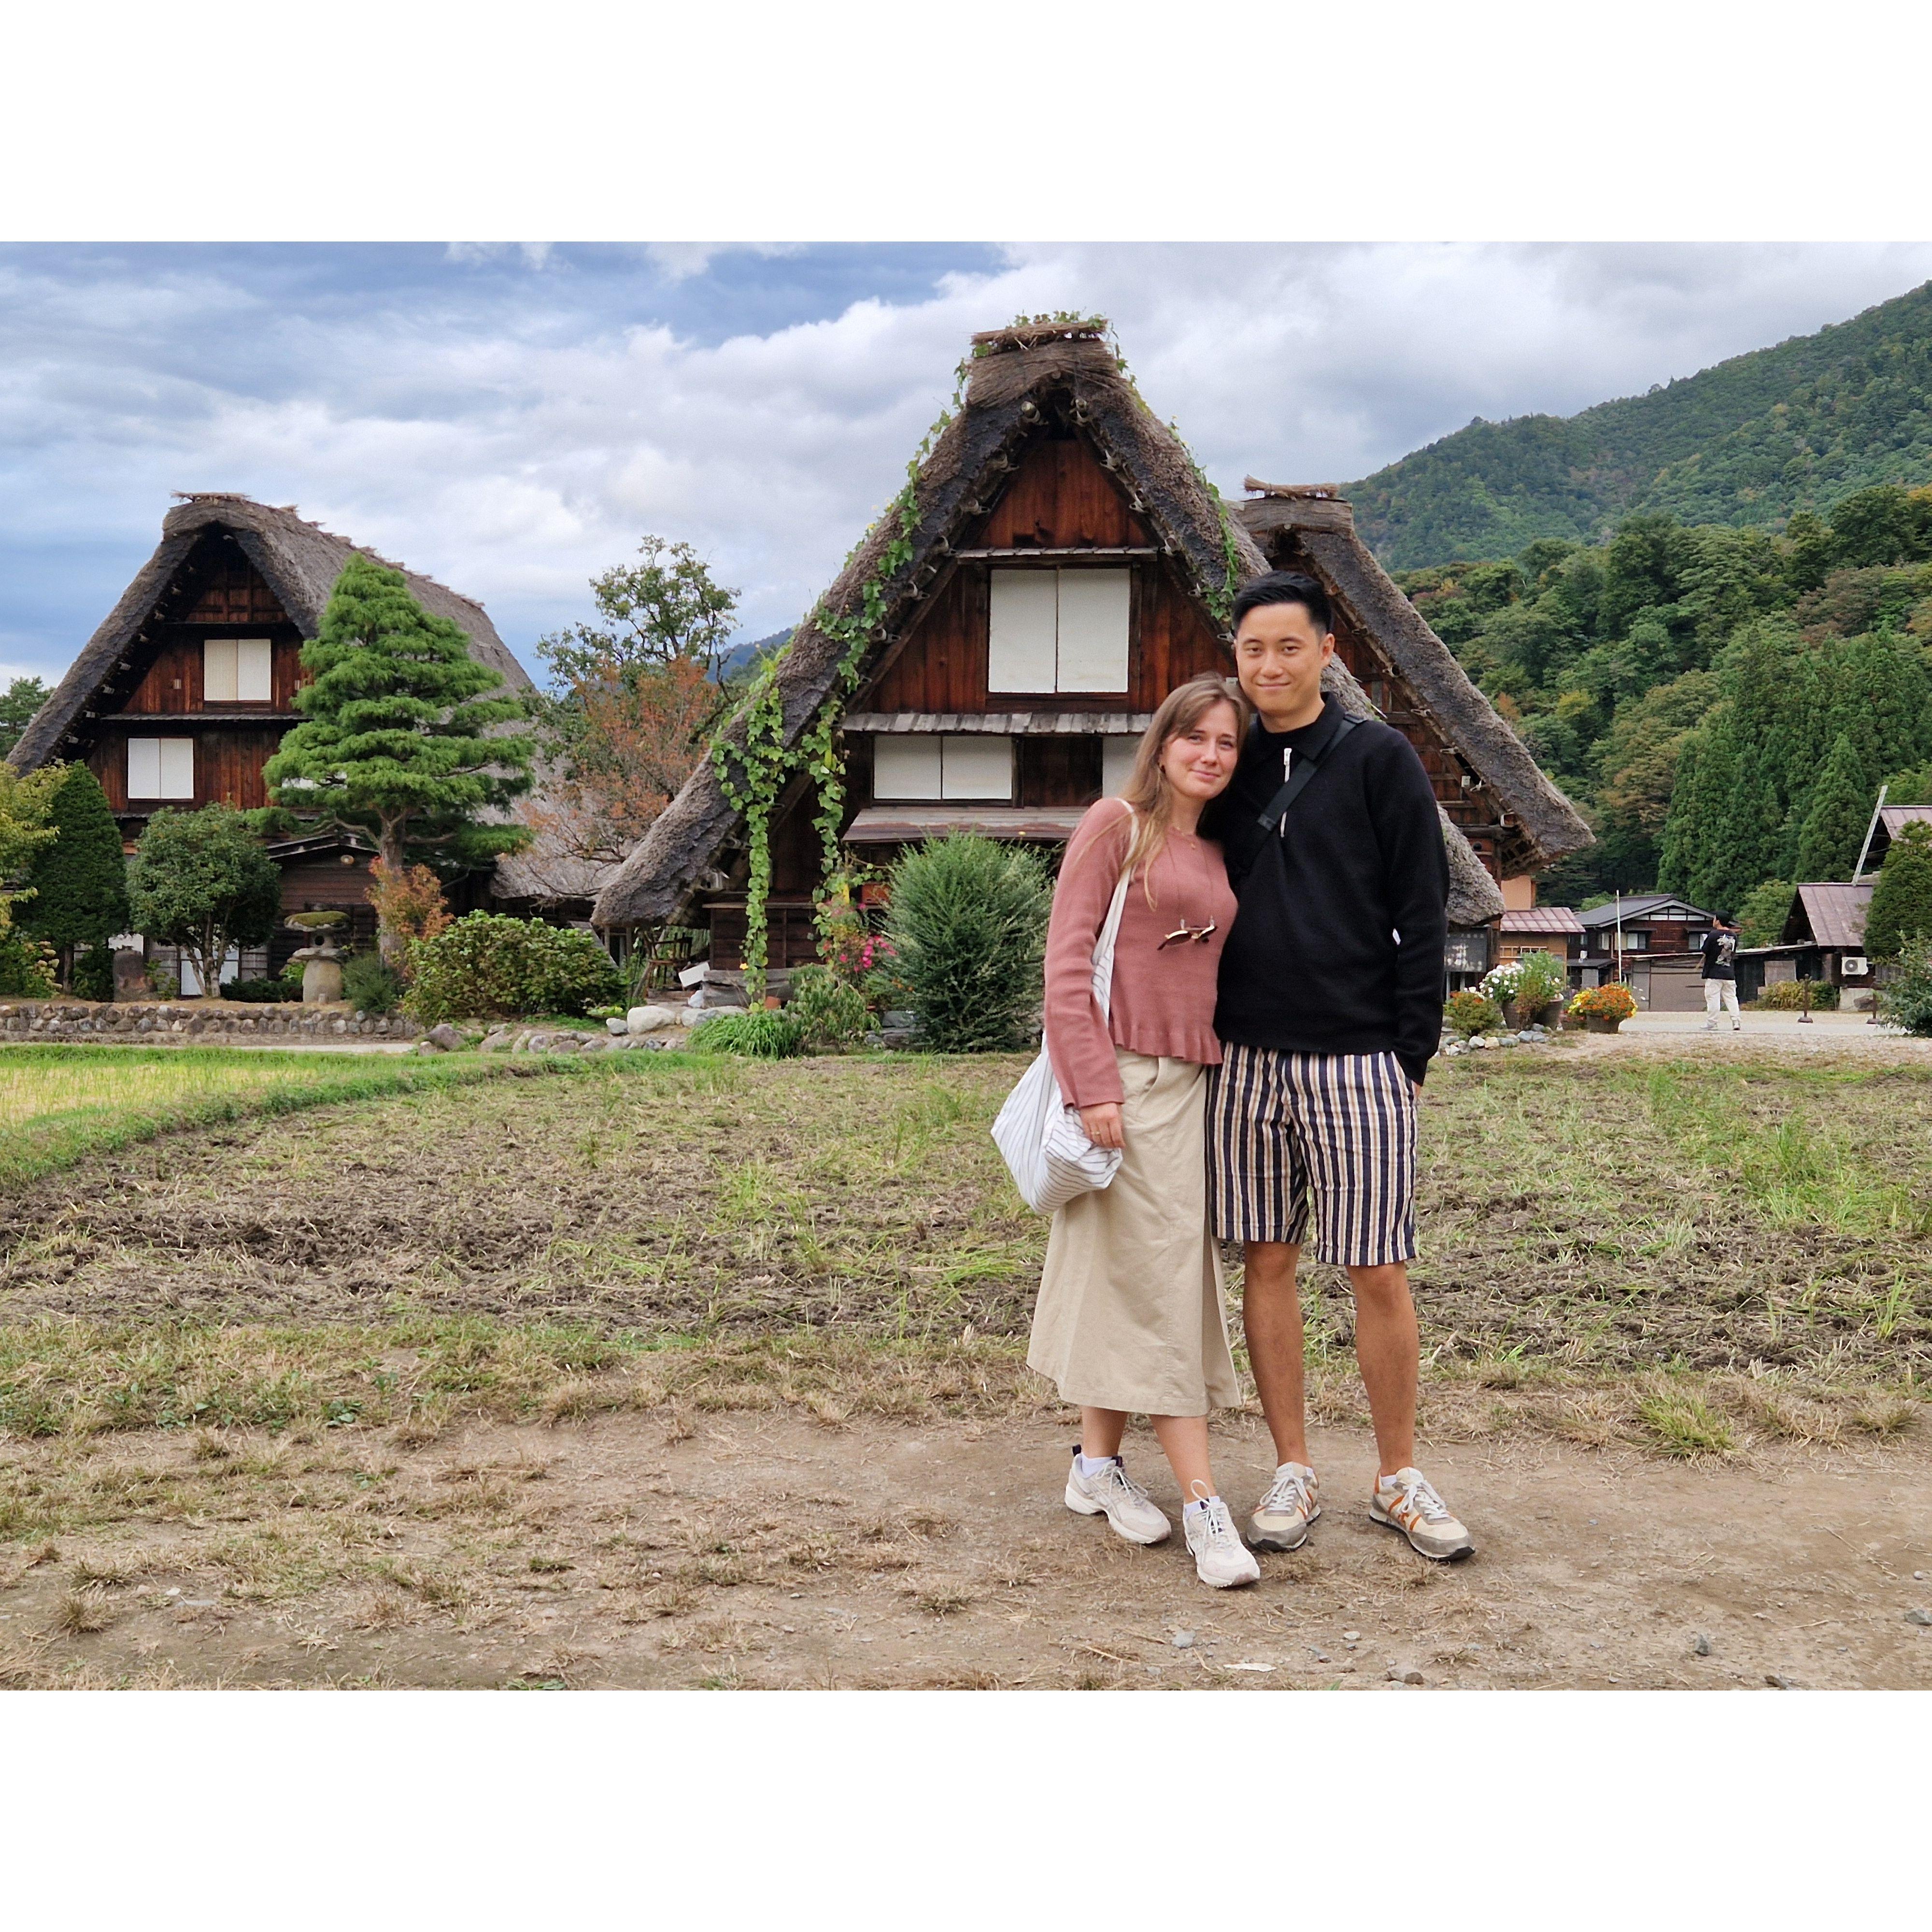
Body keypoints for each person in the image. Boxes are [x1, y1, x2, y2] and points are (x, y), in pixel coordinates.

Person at [1199, 570, 1476, 1563]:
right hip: (1240, 1059)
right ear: (1233, 659)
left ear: (1327, 652)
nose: (1266, 665)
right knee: (1265, 1260)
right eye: (1249, 649)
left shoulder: (1377, 758)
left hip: (1359, 1057)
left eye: (1286, 646)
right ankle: (1291, 1466)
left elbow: (1422, 908)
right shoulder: (1219, 763)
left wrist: (1410, 1052)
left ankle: (1396, 1475)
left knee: (1375, 1266)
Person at [1027, 674, 1262, 1589]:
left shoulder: (1216, 849)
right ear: (1162, 743)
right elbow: (1065, 964)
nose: (1210, 754)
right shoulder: (1114, 824)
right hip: (1118, 1082)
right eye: (1194, 737)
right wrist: (1091, 1088)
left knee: (1125, 1279)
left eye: (1228, 743)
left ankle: (1094, 1469)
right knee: (1165, 1288)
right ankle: (1204, 1503)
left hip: (1190, 1085)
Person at [1701, 915, 1742, 1031]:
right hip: (1729, 972)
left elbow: (1705, 950)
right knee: (1731, 997)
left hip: (1714, 972)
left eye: (1715, 919)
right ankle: (1736, 1021)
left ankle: (1712, 1023)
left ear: (1718, 921)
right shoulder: (1734, 936)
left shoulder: (1713, 935)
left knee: (1713, 998)